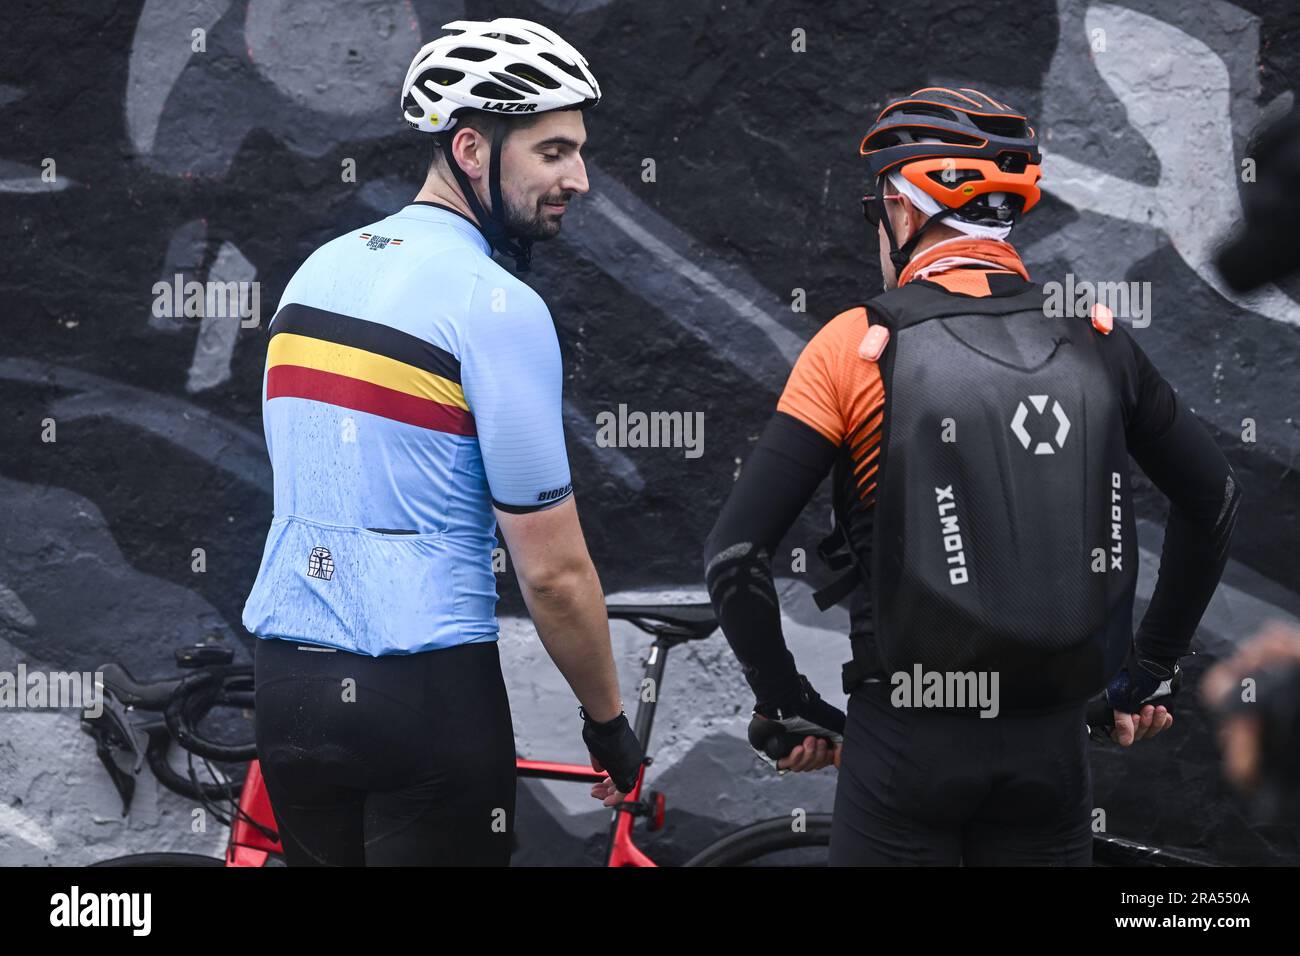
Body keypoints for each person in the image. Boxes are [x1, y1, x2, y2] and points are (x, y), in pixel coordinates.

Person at [703, 87, 1243, 865]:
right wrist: (1145, 670)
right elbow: (1214, 499)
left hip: (903, 750)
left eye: (874, 208)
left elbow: (734, 557)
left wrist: (788, 706)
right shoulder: (1097, 338)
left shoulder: (858, 343)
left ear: (900, 203)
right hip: (1052, 753)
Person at [242, 17, 641, 866]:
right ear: (470, 148)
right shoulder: (494, 305)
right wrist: (609, 726)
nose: (580, 178)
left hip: (288, 690)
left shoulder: (316, 269)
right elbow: (555, 573)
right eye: (554, 151)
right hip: (421, 690)